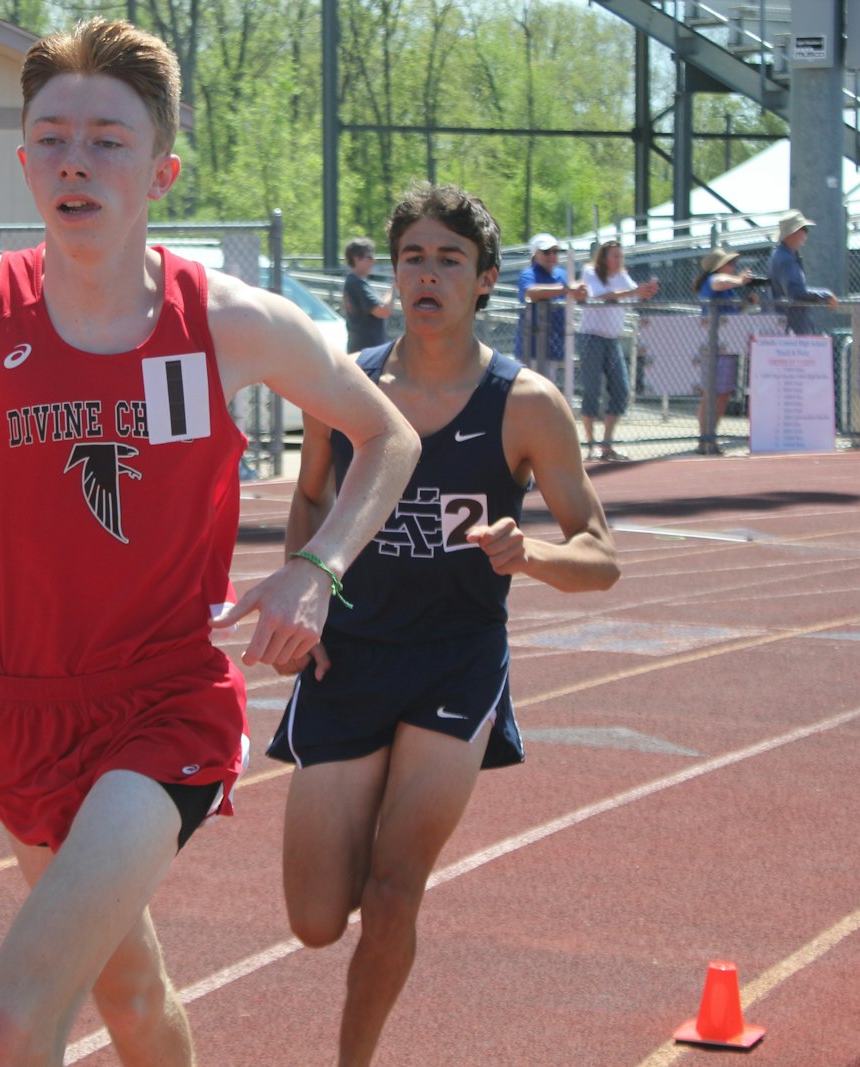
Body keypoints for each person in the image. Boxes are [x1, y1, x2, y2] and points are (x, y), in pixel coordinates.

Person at [0, 19, 419, 1066]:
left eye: (107, 139)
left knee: (13, 1020)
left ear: (162, 170)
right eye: (51, 137)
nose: (75, 159)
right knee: (136, 993)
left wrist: (317, 566)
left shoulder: (226, 320)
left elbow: (390, 432)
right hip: (17, 708)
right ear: (23, 163)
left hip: (165, 705)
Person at [267, 181, 619, 1066]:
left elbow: (600, 554)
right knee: (313, 921)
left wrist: (528, 553)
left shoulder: (526, 404)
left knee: (392, 892)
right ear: (392, 276)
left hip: (454, 664)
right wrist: (303, 592)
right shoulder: (342, 385)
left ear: (486, 279)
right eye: (413, 257)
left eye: (449, 259)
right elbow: (310, 493)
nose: (428, 274)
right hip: (346, 658)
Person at [578, 239, 658, 461]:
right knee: (592, 391)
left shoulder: (622, 276)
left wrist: (646, 291)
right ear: (604, 257)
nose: (618, 260)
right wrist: (633, 291)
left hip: (612, 339)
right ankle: (590, 444)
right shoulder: (590, 271)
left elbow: (635, 293)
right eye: (614, 256)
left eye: (620, 256)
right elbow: (600, 295)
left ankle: (607, 444)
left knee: (621, 389)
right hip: (591, 337)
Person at [693, 248, 755, 456]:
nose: (733, 266)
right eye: (729, 263)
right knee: (710, 393)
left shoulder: (728, 286)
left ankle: (712, 436)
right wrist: (740, 280)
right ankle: (704, 439)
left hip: (727, 346)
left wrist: (747, 303)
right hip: (712, 345)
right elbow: (718, 282)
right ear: (719, 266)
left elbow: (733, 313)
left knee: (723, 394)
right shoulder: (713, 280)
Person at [515, 232, 587, 383]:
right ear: (536, 254)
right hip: (532, 345)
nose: (552, 256)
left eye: (555, 251)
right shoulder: (528, 274)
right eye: (547, 252)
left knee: (547, 387)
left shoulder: (562, 274)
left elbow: (575, 294)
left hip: (554, 342)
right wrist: (566, 289)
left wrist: (580, 293)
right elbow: (531, 293)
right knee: (529, 388)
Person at [768, 209, 839, 337]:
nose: (806, 234)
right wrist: (826, 295)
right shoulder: (786, 258)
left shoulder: (780, 255)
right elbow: (796, 292)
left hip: (786, 327)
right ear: (793, 232)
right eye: (804, 229)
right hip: (793, 330)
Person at [342, 237, 394, 353]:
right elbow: (383, 310)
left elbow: (380, 303)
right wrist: (395, 287)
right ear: (356, 259)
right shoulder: (356, 284)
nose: (373, 261)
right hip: (366, 351)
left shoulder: (355, 282)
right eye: (369, 257)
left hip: (362, 349)